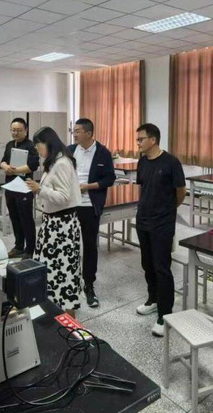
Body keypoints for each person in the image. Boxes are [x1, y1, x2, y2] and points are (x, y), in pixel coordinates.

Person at [134, 123, 186, 337]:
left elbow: (181, 192)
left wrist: (167, 210)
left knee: (161, 267)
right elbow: (143, 188)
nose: (137, 143)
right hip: (143, 220)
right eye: (137, 139)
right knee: (147, 264)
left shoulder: (171, 162)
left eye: (141, 139)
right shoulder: (142, 161)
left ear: (153, 140)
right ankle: (153, 300)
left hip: (162, 223)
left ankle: (165, 314)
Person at [25, 127, 82, 317]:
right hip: (53, 225)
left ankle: (68, 318)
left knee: (63, 273)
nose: (37, 150)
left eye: (38, 146)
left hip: (61, 228)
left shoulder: (62, 163)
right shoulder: (54, 162)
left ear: (48, 143)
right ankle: (53, 311)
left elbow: (64, 197)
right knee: (50, 270)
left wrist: (40, 189)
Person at [68, 118, 116, 308]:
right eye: (74, 130)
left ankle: (88, 284)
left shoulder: (103, 153)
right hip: (70, 204)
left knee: (89, 245)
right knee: (69, 243)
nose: (74, 134)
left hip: (89, 205)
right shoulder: (70, 150)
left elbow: (109, 179)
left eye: (78, 131)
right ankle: (70, 279)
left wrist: (88, 187)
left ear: (88, 133)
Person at [0, 118, 40, 258]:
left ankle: (30, 249)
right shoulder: (10, 144)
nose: (15, 133)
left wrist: (14, 171)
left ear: (26, 131)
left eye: (19, 130)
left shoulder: (31, 146)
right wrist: (5, 167)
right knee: (14, 217)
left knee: (26, 219)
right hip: (10, 186)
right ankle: (18, 246)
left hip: (24, 187)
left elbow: (33, 165)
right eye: (13, 130)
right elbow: (3, 161)